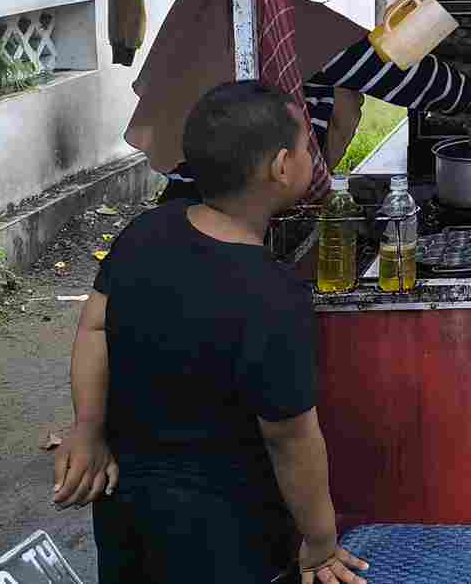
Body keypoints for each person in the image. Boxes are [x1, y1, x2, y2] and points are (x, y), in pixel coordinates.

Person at [54, 81, 370, 584]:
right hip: (224, 533)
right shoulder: (272, 293)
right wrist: (321, 539)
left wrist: (88, 429)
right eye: (308, 146)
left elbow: (94, 324)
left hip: (125, 514)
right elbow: (290, 435)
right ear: (281, 168)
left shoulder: (145, 232)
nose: (314, 157)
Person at [128, 0, 471, 203]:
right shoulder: (276, 14)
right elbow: (387, 69)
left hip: (185, 191)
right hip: (236, 200)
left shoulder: (208, 6)